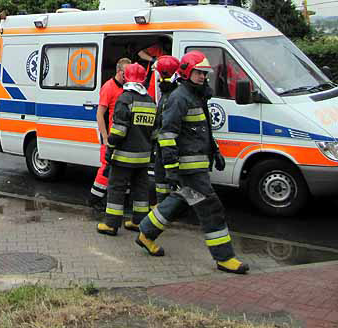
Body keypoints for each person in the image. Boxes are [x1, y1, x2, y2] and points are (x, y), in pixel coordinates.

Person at [135, 51, 249, 275]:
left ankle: (146, 233)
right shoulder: (179, 98)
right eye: (198, 72)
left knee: (178, 201)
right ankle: (224, 257)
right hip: (189, 167)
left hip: (197, 163)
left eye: (205, 73)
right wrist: (171, 169)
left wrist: (214, 151)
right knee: (211, 208)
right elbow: (167, 135)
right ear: (187, 72)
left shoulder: (196, 96)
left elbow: (202, 130)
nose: (203, 77)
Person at [97, 63, 156, 235]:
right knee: (140, 190)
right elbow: (154, 131)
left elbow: (119, 130)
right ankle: (138, 222)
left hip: (123, 157)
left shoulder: (125, 99)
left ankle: (111, 224)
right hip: (143, 157)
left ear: (127, 77)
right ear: (143, 78)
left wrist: (110, 146)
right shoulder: (150, 100)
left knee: (116, 188)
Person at [88, 57, 132, 208]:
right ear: (120, 72)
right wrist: (105, 137)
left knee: (121, 167)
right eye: (127, 72)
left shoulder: (126, 88)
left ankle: (121, 199)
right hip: (110, 134)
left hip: (120, 134)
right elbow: (100, 114)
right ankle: (95, 199)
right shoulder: (109, 87)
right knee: (106, 168)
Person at [151, 55, 181, 204]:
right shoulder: (171, 94)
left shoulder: (171, 97)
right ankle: (162, 205)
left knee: (165, 180)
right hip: (164, 148)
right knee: (161, 181)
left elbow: (164, 126)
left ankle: (164, 208)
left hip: (167, 149)